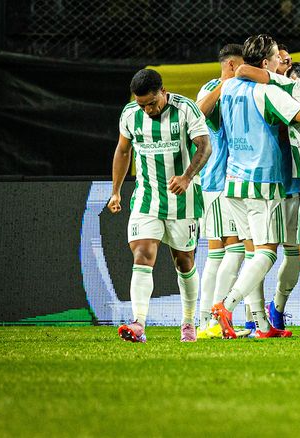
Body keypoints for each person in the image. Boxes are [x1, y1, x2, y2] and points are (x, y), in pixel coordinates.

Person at [210, 34, 300, 339]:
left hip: (233, 182)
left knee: (252, 253)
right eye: (279, 58)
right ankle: (225, 306)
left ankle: (262, 325)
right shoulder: (268, 93)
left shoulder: (229, 88)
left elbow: (208, 115)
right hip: (262, 180)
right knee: (266, 254)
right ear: (266, 62)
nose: (282, 62)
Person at [109, 68, 212, 343]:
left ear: (163, 92)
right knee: (142, 253)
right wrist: (116, 191)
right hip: (147, 198)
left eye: (152, 103)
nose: (147, 109)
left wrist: (187, 176)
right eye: (142, 104)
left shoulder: (186, 109)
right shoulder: (131, 114)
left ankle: (189, 322)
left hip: (184, 200)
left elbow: (204, 146)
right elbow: (123, 150)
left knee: (184, 262)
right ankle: (138, 324)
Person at [195, 44, 244, 339]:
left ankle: (213, 320)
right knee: (228, 251)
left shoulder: (236, 88)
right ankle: (209, 318)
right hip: (217, 182)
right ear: (229, 66)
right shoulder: (213, 88)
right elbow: (200, 112)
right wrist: (225, 84)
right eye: (239, 67)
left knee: (226, 251)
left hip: (232, 180)